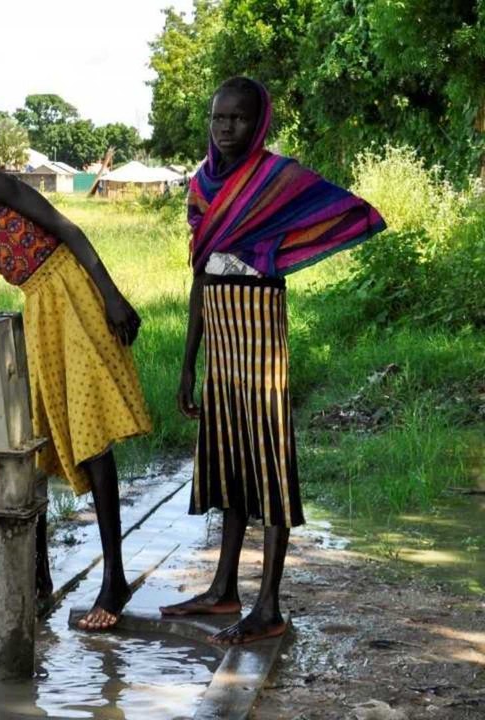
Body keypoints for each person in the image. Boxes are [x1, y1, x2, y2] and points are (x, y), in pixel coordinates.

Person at [162, 77, 386, 645]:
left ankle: (269, 605)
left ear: (258, 122)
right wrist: (189, 365)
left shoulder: (278, 180)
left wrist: (284, 250)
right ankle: (223, 590)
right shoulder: (200, 187)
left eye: (237, 119)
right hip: (219, 335)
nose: (226, 129)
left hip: (260, 333)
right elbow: (200, 274)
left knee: (268, 466)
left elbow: (348, 212)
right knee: (230, 463)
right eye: (218, 119)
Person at [0, 133, 152, 631]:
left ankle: (115, 580)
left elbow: (66, 228)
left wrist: (110, 295)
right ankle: (36, 577)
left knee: (93, 438)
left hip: (72, 294)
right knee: (36, 445)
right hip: (39, 314)